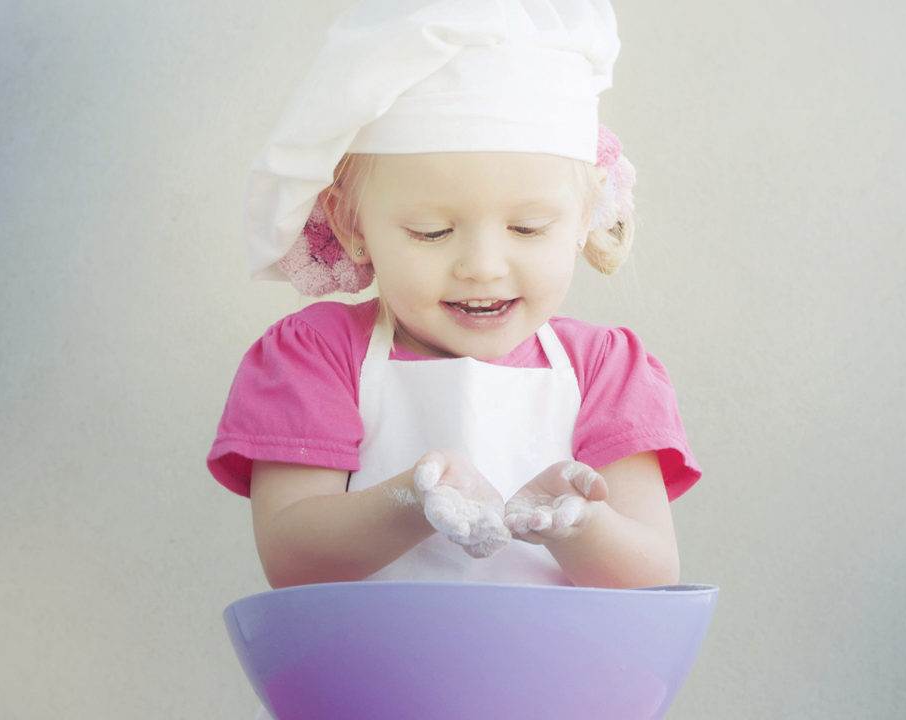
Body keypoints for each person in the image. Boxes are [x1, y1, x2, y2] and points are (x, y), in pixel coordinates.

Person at [209, 0, 701, 596]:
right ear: (351, 224)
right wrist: (411, 502)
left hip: (554, 686)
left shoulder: (605, 372)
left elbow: (652, 575)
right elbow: (293, 560)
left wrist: (579, 526)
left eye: (527, 228)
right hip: (367, 686)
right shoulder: (315, 357)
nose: (481, 267)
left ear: (587, 214)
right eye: (431, 232)